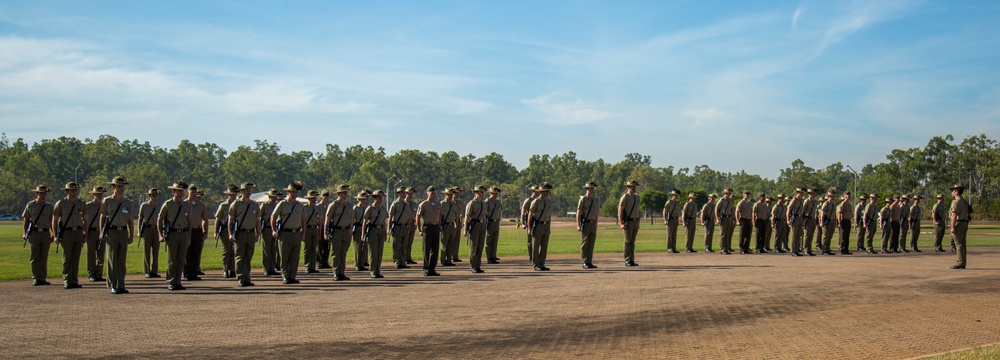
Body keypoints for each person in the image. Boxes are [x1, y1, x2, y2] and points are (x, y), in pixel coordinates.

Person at [100, 176, 134, 294]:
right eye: (118, 186)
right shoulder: (107, 201)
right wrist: (102, 232)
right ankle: (113, 284)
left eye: (122, 186)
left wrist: (131, 235)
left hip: (123, 232)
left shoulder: (128, 203)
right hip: (112, 232)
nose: (121, 188)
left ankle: (121, 285)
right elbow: (102, 217)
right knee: (112, 260)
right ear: (113, 187)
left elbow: (130, 220)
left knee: (121, 260)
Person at [53, 182, 87, 289]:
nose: (74, 192)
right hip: (66, 232)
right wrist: (55, 235)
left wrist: (85, 233)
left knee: (76, 257)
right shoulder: (61, 203)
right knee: (67, 257)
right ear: (67, 191)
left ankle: (74, 280)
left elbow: (86, 219)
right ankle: (67, 280)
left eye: (76, 190)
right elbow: (55, 220)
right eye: (72, 190)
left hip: (78, 231)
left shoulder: (81, 203)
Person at [272, 181, 307, 284]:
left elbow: (303, 220)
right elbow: (273, 216)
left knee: (295, 256)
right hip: (284, 233)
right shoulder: (282, 204)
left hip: (296, 233)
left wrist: (303, 233)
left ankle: (292, 276)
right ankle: (285, 275)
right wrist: (274, 230)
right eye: (293, 192)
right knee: (285, 255)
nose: (295, 194)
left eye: (296, 192)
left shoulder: (300, 205)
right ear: (289, 192)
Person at [159, 181, 191, 291]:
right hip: (172, 233)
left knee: (181, 259)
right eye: (179, 191)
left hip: (183, 233)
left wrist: (189, 237)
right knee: (172, 259)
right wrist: (161, 234)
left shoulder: (187, 205)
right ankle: (171, 281)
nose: (181, 193)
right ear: (174, 191)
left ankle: (178, 281)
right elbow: (160, 219)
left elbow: (189, 222)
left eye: (182, 191)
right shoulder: (168, 204)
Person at [228, 182, 259, 287]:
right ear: (241, 191)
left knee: (248, 256)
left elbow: (257, 221)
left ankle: (247, 277)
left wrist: (257, 233)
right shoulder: (236, 204)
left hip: (250, 233)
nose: (248, 192)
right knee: (240, 256)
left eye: (249, 190)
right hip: (240, 233)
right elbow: (230, 220)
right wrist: (230, 234)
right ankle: (241, 277)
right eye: (246, 190)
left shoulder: (254, 204)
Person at [22, 185, 54, 286]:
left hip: (45, 233)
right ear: (37, 194)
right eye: (41, 193)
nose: (43, 195)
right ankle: (36, 277)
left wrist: (54, 234)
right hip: (34, 232)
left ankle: (43, 277)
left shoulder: (49, 207)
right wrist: (25, 233)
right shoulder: (31, 205)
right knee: (35, 257)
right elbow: (26, 220)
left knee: (44, 257)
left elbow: (51, 221)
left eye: (44, 193)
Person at [324, 184, 354, 281]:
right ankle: (336, 273)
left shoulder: (349, 205)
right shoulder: (333, 205)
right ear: (339, 194)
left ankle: (342, 272)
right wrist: (325, 233)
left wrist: (350, 229)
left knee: (343, 253)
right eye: (344, 192)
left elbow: (351, 219)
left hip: (346, 231)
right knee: (336, 252)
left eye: (346, 192)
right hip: (336, 231)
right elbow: (327, 220)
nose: (346, 194)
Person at [415, 186, 442, 276]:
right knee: (426, 249)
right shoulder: (423, 204)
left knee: (435, 249)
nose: (433, 195)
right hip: (427, 227)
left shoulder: (438, 204)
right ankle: (426, 268)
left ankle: (432, 268)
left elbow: (440, 215)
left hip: (435, 227)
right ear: (427, 194)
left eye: (434, 194)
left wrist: (439, 225)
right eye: (431, 193)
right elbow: (418, 217)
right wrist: (419, 229)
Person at [362, 189, 389, 278]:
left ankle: (377, 270)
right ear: (375, 198)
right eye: (379, 197)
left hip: (380, 230)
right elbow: (365, 221)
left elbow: (384, 221)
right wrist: (363, 234)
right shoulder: (370, 208)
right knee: (373, 252)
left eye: (382, 197)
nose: (381, 199)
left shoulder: (383, 209)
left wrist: (385, 233)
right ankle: (373, 270)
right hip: (372, 230)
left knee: (379, 252)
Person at [184, 185, 208, 281]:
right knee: (187, 252)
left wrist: (205, 231)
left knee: (196, 252)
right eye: (192, 192)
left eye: (195, 192)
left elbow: (205, 219)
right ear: (188, 192)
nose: (194, 194)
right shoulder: (184, 204)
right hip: (187, 230)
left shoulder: (201, 205)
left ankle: (194, 273)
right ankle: (186, 273)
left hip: (197, 230)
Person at [136, 188, 161, 278]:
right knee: (146, 251)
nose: (154, 197)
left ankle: (154, 271)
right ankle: (147, 270)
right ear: (149, 196)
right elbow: (140, 218)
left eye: (156, 195)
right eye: (153, 195)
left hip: (156, 229)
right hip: (147, 229)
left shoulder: (159, 206)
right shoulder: (144, 206)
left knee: (156, 251)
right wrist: (139, 231)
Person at [215, 184, 239, 278]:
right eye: (231, 194)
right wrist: (215, 232)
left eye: (235, 194)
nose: (233, 196)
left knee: (234, 250)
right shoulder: (223, 205)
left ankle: (232, 270)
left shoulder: (238, 204)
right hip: (225, 229)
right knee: (227, 250)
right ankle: (225, 269)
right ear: (228, 195)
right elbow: (218, 219)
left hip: (236, 229)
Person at [529, 182, 553, 271]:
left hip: (546, 225)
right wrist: (529, 228)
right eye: (546, 191)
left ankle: (542, 264)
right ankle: (536, 264)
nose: (548, 193)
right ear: (541, 192)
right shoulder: (535, 202)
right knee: (536, 246)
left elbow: (549, 215)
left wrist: (549, 227)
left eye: (548, 191)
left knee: (544, 246)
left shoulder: (549, 202)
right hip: (538, 225)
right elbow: (530, 215)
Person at [84, 186, 107, 282]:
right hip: (92, 231)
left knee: (101, 254)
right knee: (91, 254)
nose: (100, 195)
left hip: (101, 231)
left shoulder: (105, 205)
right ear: (93, 195)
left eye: (101, 194)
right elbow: (84, 220)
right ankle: (91, 273)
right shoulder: (88, 206)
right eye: (98, 194)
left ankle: (99, 273)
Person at [464, 185, 488, 273]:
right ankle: (473, 266)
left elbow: (485, 215)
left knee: (480, 246)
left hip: (482, 225)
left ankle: (478, 265)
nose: (482, 194)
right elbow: (467, 217)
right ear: (475, 193)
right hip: (474, 224)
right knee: (473, 247)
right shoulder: (471, 203)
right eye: (480, 192)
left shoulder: (483, 203)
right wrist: (465, 229)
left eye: (482, 192)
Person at [577, 181, 600, 268]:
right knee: (585, 243)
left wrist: (596, 224)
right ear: (586, 189)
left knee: (591, 243)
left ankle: (589, 261)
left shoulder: (596, 199)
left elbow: (596, 212)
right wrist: (578, 225)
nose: (592, 190)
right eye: (590, 188)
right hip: (585, 223)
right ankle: (584, 261)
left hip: (592, 223)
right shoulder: (583, 199)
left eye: (593, 188)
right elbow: (578, 212)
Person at [389, 186, 413, 269]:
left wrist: (409, 227)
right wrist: (389, 228)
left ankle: (403, 262)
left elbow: (409, 217)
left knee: (404, 245)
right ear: (398, 194)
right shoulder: (395, 204)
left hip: (405, 227)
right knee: (396, 245)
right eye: (401, 193)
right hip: (397, 226)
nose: (403, 194)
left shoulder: (407, 205)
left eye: (404, 193)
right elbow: (390, 216)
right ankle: (397, 261)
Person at [618, 180, 641, 266]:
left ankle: (632, 259)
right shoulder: (625, 197)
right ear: (628, 187)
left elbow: (638, 210)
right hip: (628, 222)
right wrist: (621, 223)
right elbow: (620, 210)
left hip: (635, 221)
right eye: (632, 187)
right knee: (627, 241)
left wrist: (638, 221)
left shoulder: (637, 197)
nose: (634, 188)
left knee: (632, 242)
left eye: (635, 187)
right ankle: (627, 259)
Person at [260, 189, 282, 276]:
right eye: (272, 197)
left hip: (276, 229)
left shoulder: (278, 205)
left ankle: (272, 268)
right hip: (266, 229)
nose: (274, 198)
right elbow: (259, 216)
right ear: (269, 197)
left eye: (275, 197)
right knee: (266, 250)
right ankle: (266, 269)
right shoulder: (264, 205)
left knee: (274, 250)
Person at [949, 184, 971, 269]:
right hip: (964, 223)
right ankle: (962, 262)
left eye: (953, 191)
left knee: (958, 244)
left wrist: (952, 226)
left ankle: (960, 263)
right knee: (962, 244)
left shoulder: (957, 201)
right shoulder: (964, 201)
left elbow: (954, 215)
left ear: (956, 192)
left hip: (959, 223)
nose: (952, 192)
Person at [302, 190, 323, 274]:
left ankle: (312, 266)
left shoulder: (318, 208)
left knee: (314, 248)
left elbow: (320, 222)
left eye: (314, 198)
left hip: (315, 229)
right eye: (311, 198)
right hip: (307, 228)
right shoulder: (304, 208)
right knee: (307, 248)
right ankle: (307, 266)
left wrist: (319, 232)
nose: (313, 200)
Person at [439, 188, 459, 266]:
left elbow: (456, 215)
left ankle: (449, 260)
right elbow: (439, 215)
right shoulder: (442, 204)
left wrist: (456, 223)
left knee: (451, 244)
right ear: (445, 195)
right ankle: (443, 260)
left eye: (451, 195)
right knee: (444, 243)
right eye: (449, 195)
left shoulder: (454, 204)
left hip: (451, 225)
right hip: (445, 225)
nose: (450, 196)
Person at [352, 191, 370, 270]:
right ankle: (357, 264)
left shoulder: (366, 208)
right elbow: (352, 219)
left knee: (364, 246)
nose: (364, 200)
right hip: (358, 227)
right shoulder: (356, 208)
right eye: (362, 199)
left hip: (365, 227)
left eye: (365, 199)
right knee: (357, 247)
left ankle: (362, 263)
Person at [484, 186, 503, 264]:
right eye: (494, 193)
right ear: (490, 193)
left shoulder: (498, 202)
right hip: (490, 222)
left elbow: (499, 213)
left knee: (495, 241)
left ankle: (493, 256)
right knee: (489, 241)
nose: (495, 195)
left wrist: (498, 223)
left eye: (496, 194)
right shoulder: (487, 201)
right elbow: (484, 213)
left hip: (496, 222)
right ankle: (489, 258)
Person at [521, 185, 539, 261]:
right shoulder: (528, 200)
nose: (537, 193)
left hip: (538, 221)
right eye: (535, 191)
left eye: (538, 192)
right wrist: (523, 223)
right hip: (530, 221)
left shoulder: (539, 200)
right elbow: (523, 211)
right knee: (530, 240)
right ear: (532, 192)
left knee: (538, 240)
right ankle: (531, 256)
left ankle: (536, 256)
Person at [787, 187, 806, 256]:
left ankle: (797, 250)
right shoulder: (794, 200)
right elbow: (789, 209)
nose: (801, 194)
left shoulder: (801, 200)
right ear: (797, 193)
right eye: (800, 192)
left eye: (802, 193)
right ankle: (793, 250)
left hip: (800, 217)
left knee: (799, 235)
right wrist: (788, 220)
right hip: (795, 217)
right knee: (794, 234)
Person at [716, 188, 736, 254]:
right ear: (725, 193)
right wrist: (717, 218)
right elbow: (716, 209)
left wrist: (733, 218)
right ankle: (722, 249)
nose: (728, 195)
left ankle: (726, 248)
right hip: (723, 218)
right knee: (723, 234)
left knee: (728, 234)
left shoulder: (730, 200)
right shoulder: (722, 200)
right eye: (727, 193)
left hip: (729, 218)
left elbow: (732, 210)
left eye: (729, 193)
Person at [818, 188, 838, 256]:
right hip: (827, 222)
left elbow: (834, 214)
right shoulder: (826, 204)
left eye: (833, 196)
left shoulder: (834, 204)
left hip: (832, 222)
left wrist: (835, 222)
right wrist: (821, 222)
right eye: (830, 196)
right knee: (825, 236)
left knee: (830, 236)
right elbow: (822, 213)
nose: (832, 198)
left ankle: (828, 249)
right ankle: (824, 250)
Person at [317, 190, 333, 269]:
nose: (326, 199)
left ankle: (325, 261)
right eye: (325, 197)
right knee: (320, 245)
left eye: (327, 197)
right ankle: (319, 262)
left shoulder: (328, 207)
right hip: (320, 226)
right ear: (321, 197)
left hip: (327, 227)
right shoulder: (318, 207)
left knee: (327, 246)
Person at [663, 189, 682, 253]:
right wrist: (665, 220)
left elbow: (678, 212)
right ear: (672, 195)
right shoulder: (669, 202)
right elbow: (664, 210)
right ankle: (669, 248)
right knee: (669, 235)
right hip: (670, 219)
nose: (676, 196)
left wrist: (679, 219)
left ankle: (674, 248)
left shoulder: (677, 203)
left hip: (675, 219)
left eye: (677, 195)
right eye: (675, 195)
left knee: (674, 235)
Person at [404, 187, 419, 265]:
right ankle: (404, 258)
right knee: (405, 242)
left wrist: (416, 223)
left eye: (411, 193)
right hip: (406, 224)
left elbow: (416, 214)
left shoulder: (414, 204)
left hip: (412, 223)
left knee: (410, 242)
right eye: (409, 193)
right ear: (405, 194)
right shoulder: (403, 203)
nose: (410, 195)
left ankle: (408, 257)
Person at [802, 188, 819, 256]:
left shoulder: (815, 202)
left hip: (813, 219)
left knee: (811, 235)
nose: (814, 194)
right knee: (807, 235)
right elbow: (803, 211)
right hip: (807, 219)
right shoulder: (806, 201)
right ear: (809, 194)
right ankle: (805, 249)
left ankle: (809, 249)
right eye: (813, 193)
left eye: (814, 193)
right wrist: (803, 220)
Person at [451, 186, 465, 263]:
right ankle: (449, 256)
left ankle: (455, 256)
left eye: (458, 192)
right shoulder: (450, 202)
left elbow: (461, 212)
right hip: (452, 222)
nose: (457, 194)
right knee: (451, 240)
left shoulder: (460, 202)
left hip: (458, 222)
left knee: (457, 240)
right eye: (455, 192)